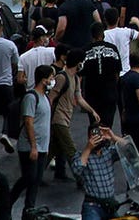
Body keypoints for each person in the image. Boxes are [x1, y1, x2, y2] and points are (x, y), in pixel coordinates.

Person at [49, 46, 99, 181]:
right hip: (58, 120)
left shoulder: (75, 78)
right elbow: (51, 98)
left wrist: (92, 110)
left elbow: (79, 98)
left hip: (65, 118)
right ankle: (81, 178)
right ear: (78, 63)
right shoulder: (62, 77)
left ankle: (36, 176)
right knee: (71, 150)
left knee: (54, 150)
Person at [11, 64, 53, 214]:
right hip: (30, 147)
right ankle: (8, 201)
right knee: (29, 177)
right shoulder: (31, 97)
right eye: (50, 78)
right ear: (43, 80)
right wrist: (33, 146)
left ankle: (29, 209)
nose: (52, 81)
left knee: (35, 180)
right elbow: (28, 122)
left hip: (43, 146)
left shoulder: (45, 97)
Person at [70, 126, 123, 220]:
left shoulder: (109, 152)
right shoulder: (82, 155)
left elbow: (130, 149)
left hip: (109, 204)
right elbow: (76, 170)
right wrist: (88, 148)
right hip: (92, 205)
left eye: (99, 135)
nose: (98, 138)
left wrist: (113, 137)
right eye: (94, 136)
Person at [80, 22, 122, 127]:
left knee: (94, 123)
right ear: (103, 34)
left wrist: (78, 93)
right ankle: (106, 142)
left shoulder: (85, 51)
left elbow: (80, 74)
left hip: (92, 93)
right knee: (108, 124)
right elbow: (117, 72)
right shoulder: (112, 49)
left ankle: (94, 142)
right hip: (110, 91)